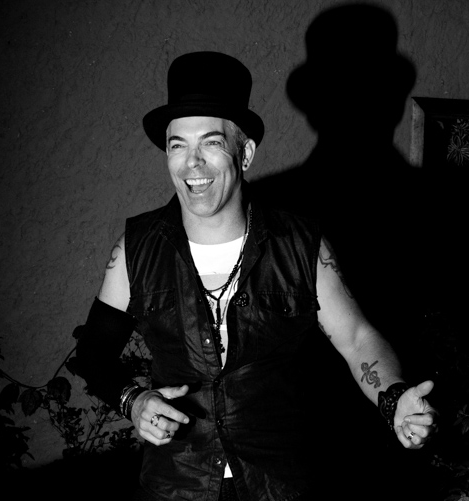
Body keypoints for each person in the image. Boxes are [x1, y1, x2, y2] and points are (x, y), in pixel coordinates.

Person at [75, 51, 438, 501]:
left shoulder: (299, 244)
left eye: (210, 143)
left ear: (244, 153)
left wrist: (393, 399)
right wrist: (134, 401)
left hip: (281, 485)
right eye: (177, 145)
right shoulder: (137, 247)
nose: (192, 164)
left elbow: (357, 339)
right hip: (177, 486)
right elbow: (93, 351)